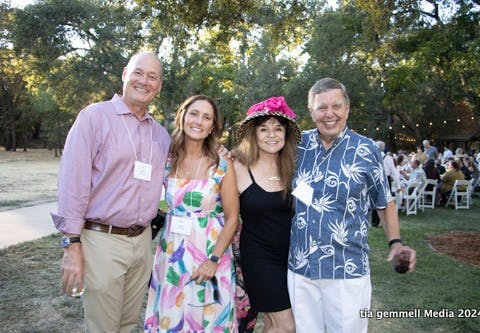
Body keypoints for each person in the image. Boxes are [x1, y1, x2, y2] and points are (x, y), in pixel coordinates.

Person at [50, 51, 171, 332]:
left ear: (159, 86)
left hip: (142, 242)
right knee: (104, 326)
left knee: (128, 325)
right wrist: (71, 245)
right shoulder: (94, 117)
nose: (144, 81)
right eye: (138, 73)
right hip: (102, 240)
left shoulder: (161, 135)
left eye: (152, 77)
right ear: (125, 74)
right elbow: (72, 184)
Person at [287, 78, 416, 333]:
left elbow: (384, 201)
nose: (329, 113)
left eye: (336, 106)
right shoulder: (295, 146)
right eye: (321, 107)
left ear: (347, 108)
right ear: (311, 111)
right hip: (301, 269)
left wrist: (396, 242)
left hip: (346, 268)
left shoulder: (366, 149)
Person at [144, 95, 239, 332]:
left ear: (212, 127)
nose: (199, 121)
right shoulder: (167, 158)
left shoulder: (222, 163)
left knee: (207, 318)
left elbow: (232, 218)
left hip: (210, 253)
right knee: (172, 317)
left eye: (207, 117)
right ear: (183, 116)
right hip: (172, 254)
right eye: (194, 113)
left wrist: (213, 260)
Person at [233, 96, 300, 333]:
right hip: (259, 259)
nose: (272, 135)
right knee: (287, 325)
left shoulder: (295, 166)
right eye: (264, 129)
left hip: (293, 259)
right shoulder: (236, 165)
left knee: (273, 324)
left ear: (286, 133)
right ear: (254, 133)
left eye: (278, 128)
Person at [372, 141, 401, 227]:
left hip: (376, 178)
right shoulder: (388, 158)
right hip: (386, 180)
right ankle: (387, 220)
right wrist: (398, 184)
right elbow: (394, 172)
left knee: (376, 200)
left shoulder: (372, 156)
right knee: (387, 201)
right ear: (383, 148)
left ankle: (374, 221)